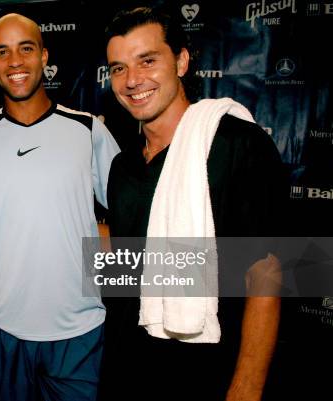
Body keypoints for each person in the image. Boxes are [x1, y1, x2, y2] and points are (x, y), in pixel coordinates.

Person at [100, 6, 286, 401]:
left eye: (147, 61)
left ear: (181, 61)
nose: (132, 80)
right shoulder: (122, 165)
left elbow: (268, 272)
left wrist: (247, 387)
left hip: (209, 372)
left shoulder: (237, 145)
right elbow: (130, 267)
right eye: (118, 68)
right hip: (128, 366)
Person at [0, 13, 120, 401]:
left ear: (44, 56)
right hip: (1, 331)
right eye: (3, 52)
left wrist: (106, 242)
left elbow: (135, 210)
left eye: (26, 49)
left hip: (80, 332)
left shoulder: (87, 130)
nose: (15, 62)